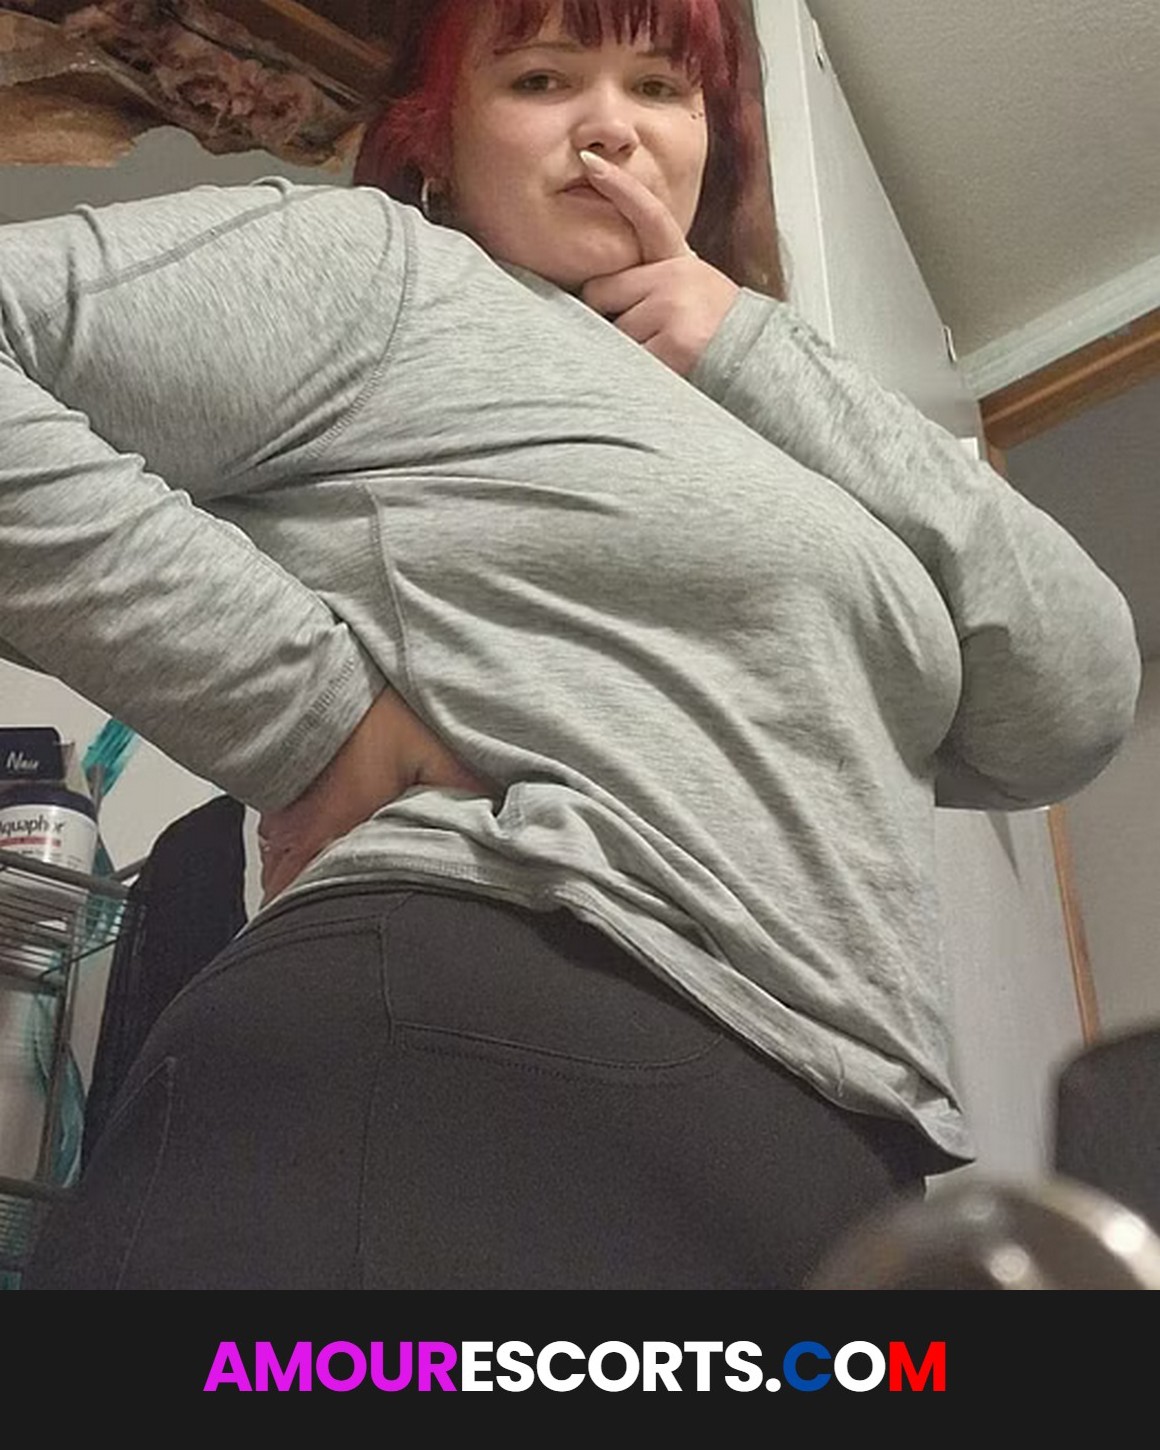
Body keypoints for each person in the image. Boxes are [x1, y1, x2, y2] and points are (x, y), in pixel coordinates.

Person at [3, 0, 1140, 1290]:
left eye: (660, 88)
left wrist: (751, 343)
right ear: (439, 143)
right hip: (476, 1044)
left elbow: (1077, 694)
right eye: (543, 79)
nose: (610, 128)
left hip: (841, 1147)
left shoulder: (781, 430)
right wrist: (305, 714)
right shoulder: (390, 273)